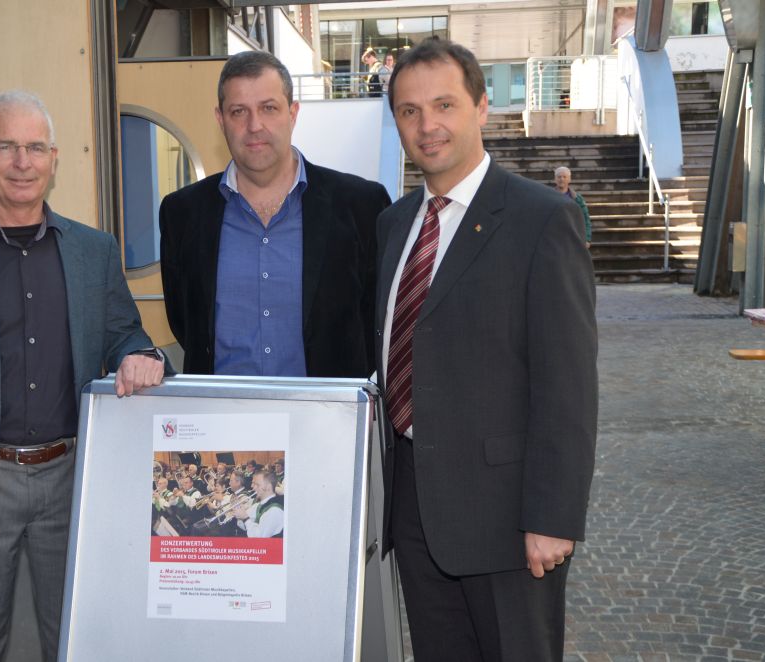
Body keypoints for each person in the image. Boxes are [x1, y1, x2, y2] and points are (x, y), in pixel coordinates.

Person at [0, 90, 166, 662]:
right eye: (6, 147)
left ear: (54, 159)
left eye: (36, 147)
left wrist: (143, 355)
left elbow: (124, 334)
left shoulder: (94, 251)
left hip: (73, 483)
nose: (22, 162)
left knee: (80, 644)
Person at [377, 40, 597, 661]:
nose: (427, 125)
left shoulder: (541, 220)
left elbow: (568, 384)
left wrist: (551, 516)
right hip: (415, 512)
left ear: (481, 107)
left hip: (508, 521)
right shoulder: (393, 225)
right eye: (410, 111)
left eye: (444, 105)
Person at [159, 50, 391, 379]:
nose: (254, 126)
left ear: (293, 113)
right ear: (220, 120)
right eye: (239, 111)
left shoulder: (362, 205)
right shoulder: (182, 213)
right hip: (219, 409)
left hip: (327, 409)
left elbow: (377, 322)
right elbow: (186, 323)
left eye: (269, 108)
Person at [233, 470, 284, 538]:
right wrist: (240, 514)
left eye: (256, 484)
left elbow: (258, 537)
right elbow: (242, 525)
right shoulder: (258, 505)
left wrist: (245, 518)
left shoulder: (275, 510)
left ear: (268, 487)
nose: (252, 486)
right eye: (252, 483)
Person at [554, 165, 592, 248]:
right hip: (554, 237)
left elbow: (585, 218)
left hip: (572, 236)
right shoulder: (549, 196)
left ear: (569, 179)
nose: (561, 179)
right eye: (559, 177)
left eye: (564, 177)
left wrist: (587, 238)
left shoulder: (577, 199)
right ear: (555, 179)